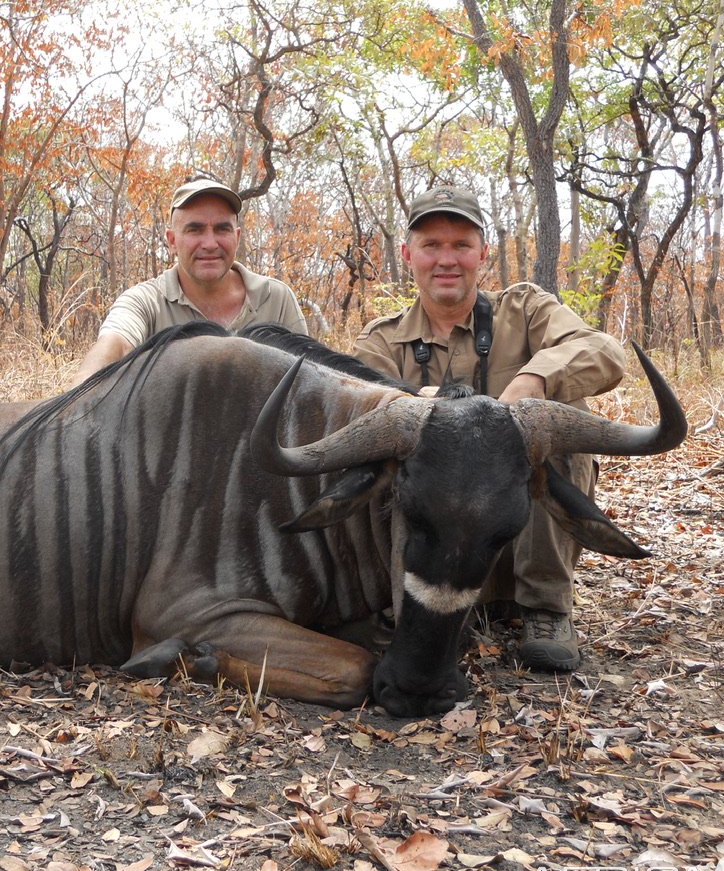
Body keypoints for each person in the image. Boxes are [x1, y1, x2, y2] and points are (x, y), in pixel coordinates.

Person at [355, 185, 628, 671]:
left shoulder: (524, 309)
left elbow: (604, 352)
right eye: (431, 245)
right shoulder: (382, 339)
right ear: (407, 254)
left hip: (510, 539)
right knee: (369, 456)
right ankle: (402, 607)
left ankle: (544, 607)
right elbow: (357, 399)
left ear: (484, 253)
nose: (447, 259)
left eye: (461, 245)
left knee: (560, 418)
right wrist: (436, 408)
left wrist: (531, 381)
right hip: (426, 553)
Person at [74, 175, 308, 382]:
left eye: (222, 229)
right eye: (194, 230)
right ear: (172, 241)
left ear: (237, 237)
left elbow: (308, 377)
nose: (209, 243)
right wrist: (80, 392)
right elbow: (116, 344)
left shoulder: (276, 298)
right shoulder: (145, 301)